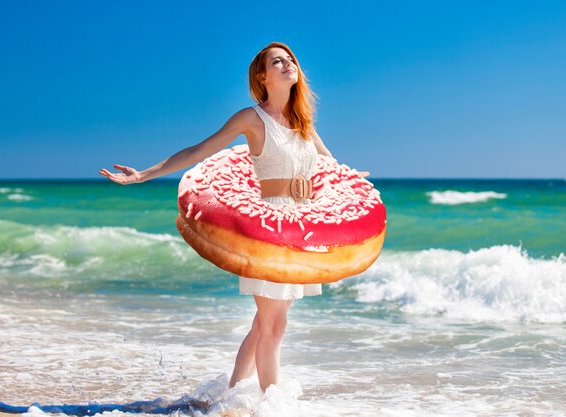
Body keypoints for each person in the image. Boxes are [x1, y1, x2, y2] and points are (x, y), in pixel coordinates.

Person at [99, 41, 369, 392]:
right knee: (274, 326)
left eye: (291, 60)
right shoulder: (251, 118)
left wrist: (357, 187)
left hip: (298, 229)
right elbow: (200, 149)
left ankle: (230, 397)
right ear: (263, 75)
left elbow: (332, 168)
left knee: (264, 324)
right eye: (278, 61)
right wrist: (143, 175)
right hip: (269, 225)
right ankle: (272, 407)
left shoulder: (305, 124)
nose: (289, 65)